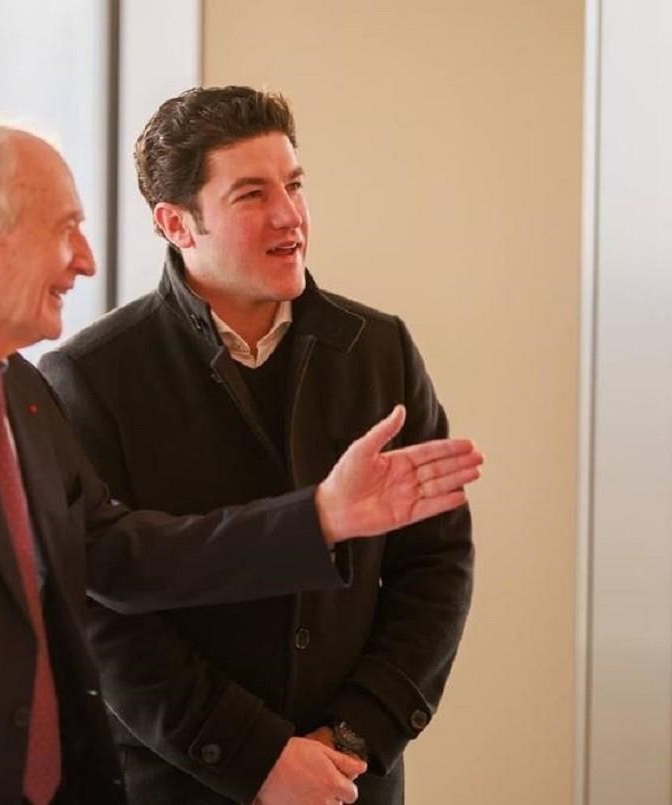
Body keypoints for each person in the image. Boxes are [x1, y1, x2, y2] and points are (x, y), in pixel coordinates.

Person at [0, 122, 483, 805]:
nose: (86, 261)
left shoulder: (18, 393)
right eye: (65, 229)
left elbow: (124, 556)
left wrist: (321, 516)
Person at [41, 86, 476, 805]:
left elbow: (437, 566)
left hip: (352, 783)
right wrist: (259, 759)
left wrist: (351, 739)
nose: (289, 215)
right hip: (178, 784)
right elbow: (104, 619)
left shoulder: (380, 349)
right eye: (252, 194)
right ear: (176, 222)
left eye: (294, 184)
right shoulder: (87, 378)